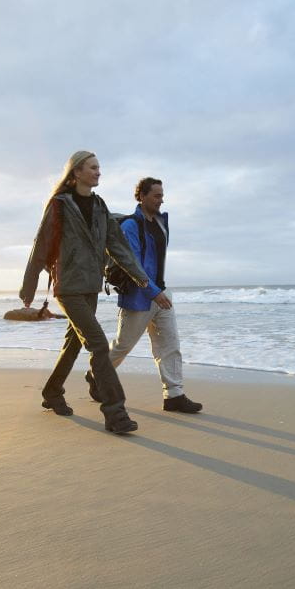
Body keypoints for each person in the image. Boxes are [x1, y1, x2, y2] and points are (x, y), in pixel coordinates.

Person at [20, 150, 149, 434]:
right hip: (68, 287)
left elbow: (117, 246)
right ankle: (115, 414)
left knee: (75, 342)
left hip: (90, 287)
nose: (98, 172)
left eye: (99, 167)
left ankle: (52, 391)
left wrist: (141, 279)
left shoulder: (100, 206)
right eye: (93, 167)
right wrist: (29, 284)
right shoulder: (59, 205)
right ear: (76, 172)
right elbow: (40, 244)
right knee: (99, 346)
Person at [87, 177, 203, 413]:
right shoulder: (131, 226)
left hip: (161, 293)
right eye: (157, 195)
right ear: (142, 196)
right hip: (140, 296)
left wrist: (159, 292)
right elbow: (133, 265)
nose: (161, 200)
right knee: (122, 346)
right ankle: (96, 375)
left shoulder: (160, 223)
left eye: (162, 195)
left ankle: (174, 395)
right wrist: (152, 292)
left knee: (170, 345)